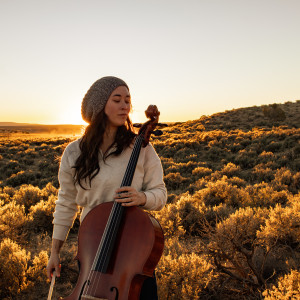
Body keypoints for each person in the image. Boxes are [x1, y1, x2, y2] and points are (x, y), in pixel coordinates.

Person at [46, 76, 167, 299]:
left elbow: (160, 193)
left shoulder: (141, 147)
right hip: (92, 249)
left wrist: (142, 198)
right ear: (100, 106)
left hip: (132, 250)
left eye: (128, 100)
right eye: (117, 100)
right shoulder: (74, 152)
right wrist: (55, 252)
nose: (125, 106)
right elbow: (66, 203)